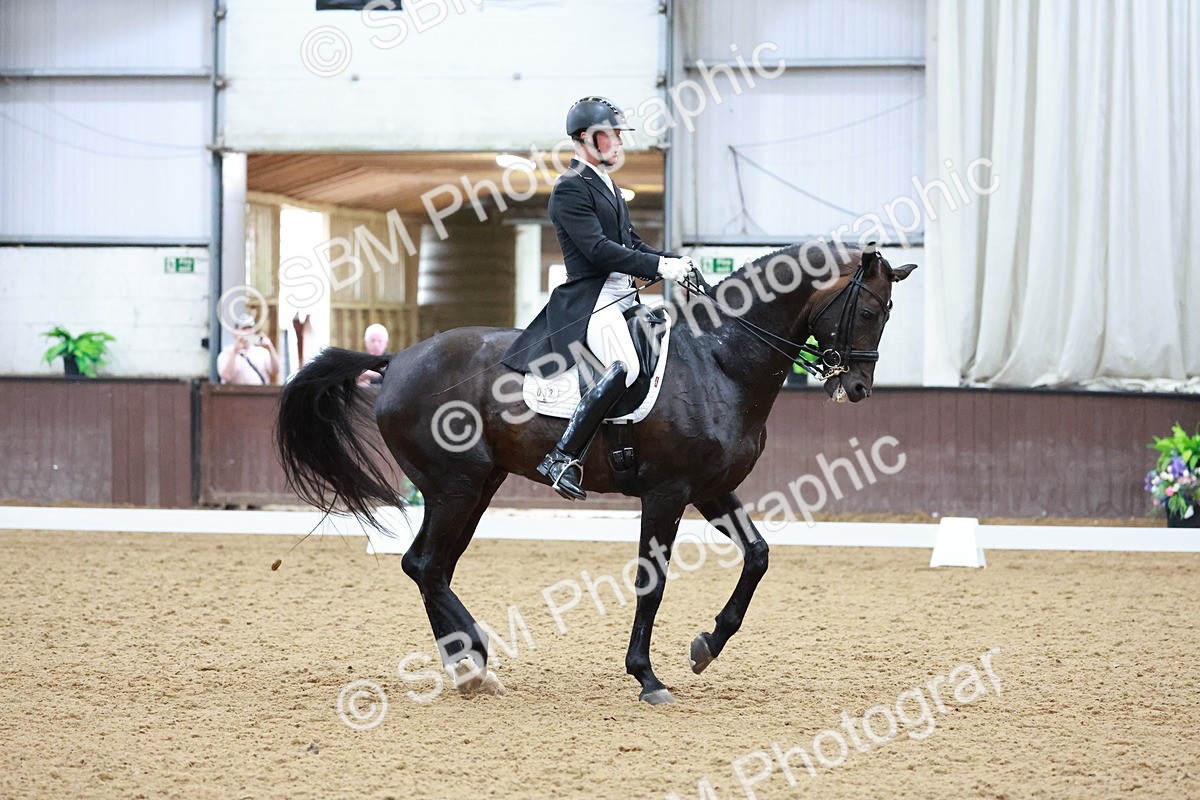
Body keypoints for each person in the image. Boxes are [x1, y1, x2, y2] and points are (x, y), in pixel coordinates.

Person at [502, 95, 694, 501]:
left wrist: (672, 261)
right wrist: (658, 269)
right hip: (593, 301)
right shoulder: (570, 189)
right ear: (587, 138)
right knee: (622, 366)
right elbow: (598, 250)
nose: (621, 143)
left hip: (624, 297)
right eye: (612, 135)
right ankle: (562, 456)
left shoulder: (606, 184)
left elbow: (631, 243)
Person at [217, 314, 281, 385]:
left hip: (259, 394)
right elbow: (226, 376)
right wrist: (235, 351)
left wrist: (270, 348)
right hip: (236, 394)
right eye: (244, 329)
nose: (247, 332)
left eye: (250, 329)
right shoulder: (227, 353)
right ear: (236, 332)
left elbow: (276, 370)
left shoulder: (261, 352)